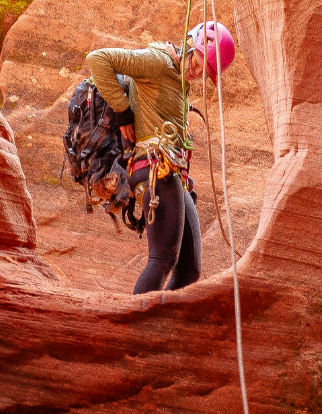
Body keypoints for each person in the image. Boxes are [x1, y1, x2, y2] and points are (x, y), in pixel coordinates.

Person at [85, 21, 235, 294]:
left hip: (171, 172)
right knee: (162, 260)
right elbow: (98, 59)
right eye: (198, 61)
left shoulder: (179, 80)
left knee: (189, 270)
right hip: (153, 167)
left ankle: (159, 318)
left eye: (205, 72)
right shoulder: (159, 61)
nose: (197, 72)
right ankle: (135, 318)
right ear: (190, 45)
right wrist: (122, 111)